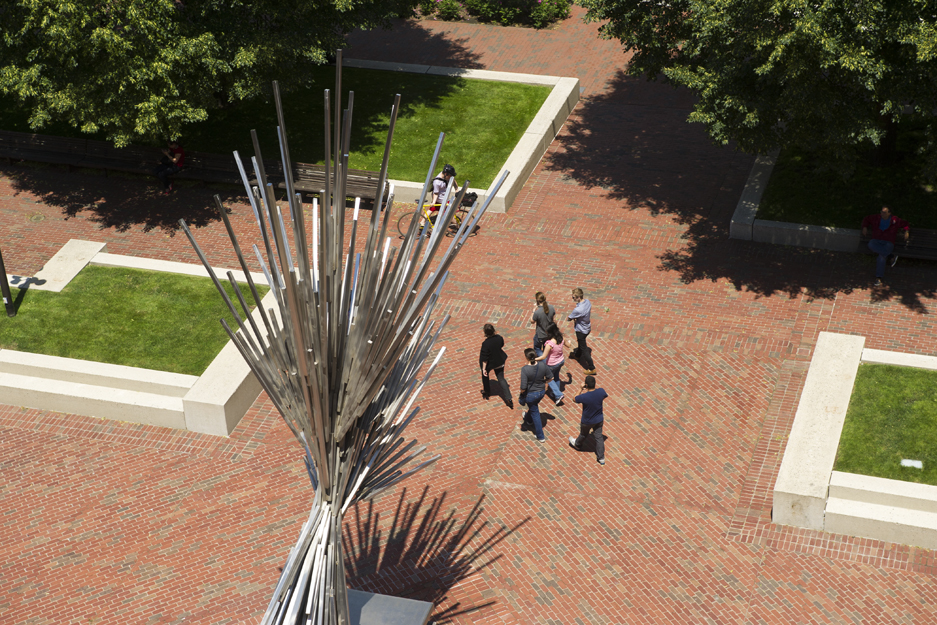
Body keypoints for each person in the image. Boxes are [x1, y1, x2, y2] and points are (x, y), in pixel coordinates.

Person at [861, 206, 910, 284]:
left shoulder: (895, 220)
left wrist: (906, 231)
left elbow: (905, 223)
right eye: (881, 212)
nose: (882, 214)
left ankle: (878, 277)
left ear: (889, 213)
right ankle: (891, 256)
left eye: (884, 212)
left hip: (888, 242)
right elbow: (866, 219)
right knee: (871, 244)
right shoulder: (876, 218)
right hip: (876, 240)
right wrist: (864, 227)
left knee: (881, 257)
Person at [568, 375, 608, 465]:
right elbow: (604, 395)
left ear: (586, 385)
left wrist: (580, 388)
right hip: (599, 419)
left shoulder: (585, 396)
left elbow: (574, 398)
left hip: (587, 421)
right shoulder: (601, 391)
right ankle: (601, 458)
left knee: (583, 434)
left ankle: (577, 444)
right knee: (599, 437)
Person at [535, 323, 573, 406]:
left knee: (549, 379)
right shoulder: (561, 337)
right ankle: (555, 394)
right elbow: (569, 345)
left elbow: (543, 356)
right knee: (556, 377)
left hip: (552, 364)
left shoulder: (549, 343)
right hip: (561, 361)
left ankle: (558, 394)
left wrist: (534, 359)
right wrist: (569, 341)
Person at [519, 348, 552, 443]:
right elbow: (551, 377)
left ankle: (540, 436)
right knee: (533, 406)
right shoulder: (542, 365)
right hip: (541, 392)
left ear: (526, 357)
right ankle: (528, 419)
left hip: (531, 394)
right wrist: (544, 383)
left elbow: (523, 387)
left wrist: (521, 393)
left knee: (535, 413)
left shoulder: (525, 369)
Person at [479, 323, 513, 408]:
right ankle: (509, 398)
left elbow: (484, 358)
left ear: (485, 332)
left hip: (491, 363)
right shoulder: (499, 338)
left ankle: (487, 391)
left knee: (485, 375)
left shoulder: (485, 344)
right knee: (501, 378)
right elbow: (501, 345)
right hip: (500, 361)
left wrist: (484, 369)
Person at [567, 287, 596, 375]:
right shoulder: (587, 302)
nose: (573, 299)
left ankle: (592, 368)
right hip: (587, 327)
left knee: (584, 349)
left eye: (574, 297)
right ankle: (577, 356)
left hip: (581, 330)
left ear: (578, 297)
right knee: (581, 343)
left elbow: (569, 318)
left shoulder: (578, 309)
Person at [529, 291, 555, 357]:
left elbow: (532, 321)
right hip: (549, 333)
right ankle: (546, 357)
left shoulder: (537, 312)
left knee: (537, 348)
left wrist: (533, 311)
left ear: (537, 300)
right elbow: (553, 318)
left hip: (540, 334)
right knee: (546, 347)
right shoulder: (551, 307)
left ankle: (543, 360)